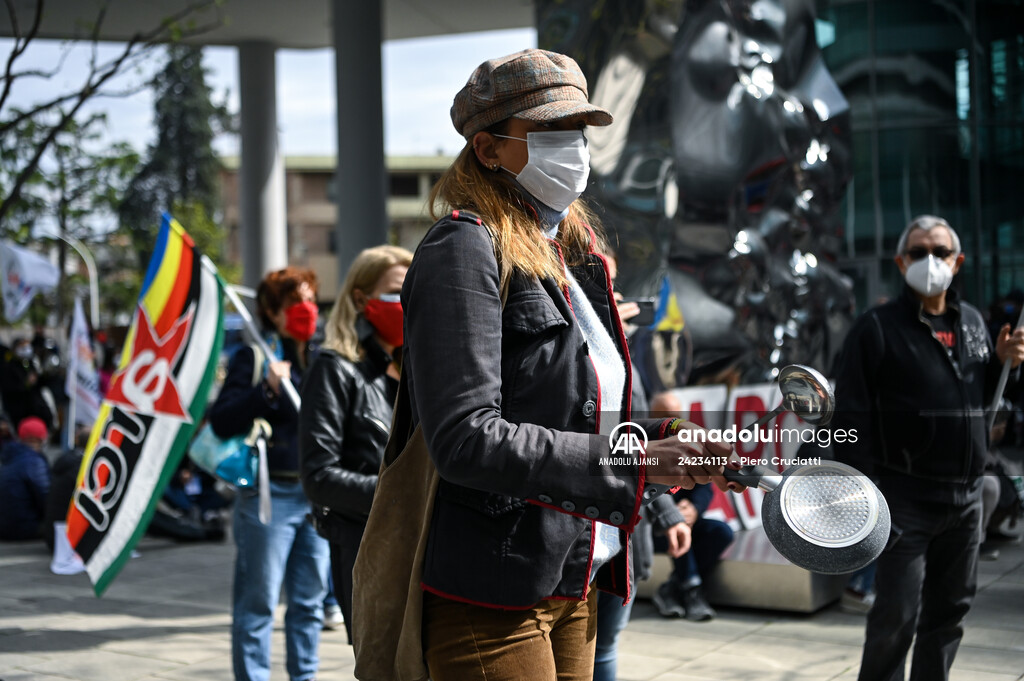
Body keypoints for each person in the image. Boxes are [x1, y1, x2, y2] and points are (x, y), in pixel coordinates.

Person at [397, 48, 744, 681]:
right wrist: (636, 462)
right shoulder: (463, 247)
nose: (575, 147)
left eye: (579, 129)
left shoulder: (572, 255)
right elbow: (466, 438)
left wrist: (670, 441)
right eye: (550, 130)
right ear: (488, 149)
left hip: (578, 573)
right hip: (496, 586)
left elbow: (580, 415)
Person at [832, 215, 1024, 681]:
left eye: (940, 252)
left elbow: (976, 399)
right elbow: (850, 417)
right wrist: (868, 496)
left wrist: (1003, 365)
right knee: (895, 618)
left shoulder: (973, 323)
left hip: (966, 500)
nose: (930, 261)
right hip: (904, 501)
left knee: (948, 616)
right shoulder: (875, 328)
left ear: (958, 262)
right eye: (918, 252)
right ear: (901, 262)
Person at [208, 266, 330, 681]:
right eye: (295, 302)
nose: (306, 309)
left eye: (310, 300)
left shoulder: (323, 356)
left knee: (309, 603)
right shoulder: (256, 357)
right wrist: (266, 391)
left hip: (316, 498)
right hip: (269, 497)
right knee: (257, 603)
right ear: (272, 311)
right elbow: (222, 420)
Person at [299, 244, 413, 644]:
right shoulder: (334, 368)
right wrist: (402, 496)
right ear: (362, 300)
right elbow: (319, 477)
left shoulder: (418, 364)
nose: (407, 301)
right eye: (395, 292)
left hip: (424, 545)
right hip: (369, 545)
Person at [647, 391, 735, 622]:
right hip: (649, 527)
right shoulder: (642, 447)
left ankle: (672, 588)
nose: (671, 424)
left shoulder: (688, 445)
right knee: (678, 529)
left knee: (721, 532)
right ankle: (691, 590)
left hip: (685, 519)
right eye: (664, 417)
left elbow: (705, 488)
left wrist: (694, 509)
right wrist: (672, 515)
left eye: (676, 417)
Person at [0, 417, 51, 541]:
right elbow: (45, 497)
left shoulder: (10, 457)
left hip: (5, 526)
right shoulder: (34, 462)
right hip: (24, 527)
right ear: (42, 438)